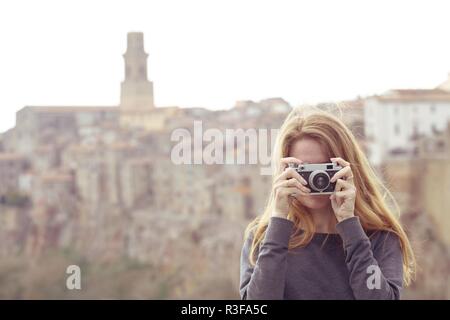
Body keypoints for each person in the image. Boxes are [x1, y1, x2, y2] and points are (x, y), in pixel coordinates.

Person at [239, 105, 416, 299]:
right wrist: (279, 220)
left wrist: (350, 227)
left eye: (325, 168)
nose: (317, 178)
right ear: (285, 172)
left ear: (348, 168)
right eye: (303, 169)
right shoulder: (266, 238)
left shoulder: (380, 239)